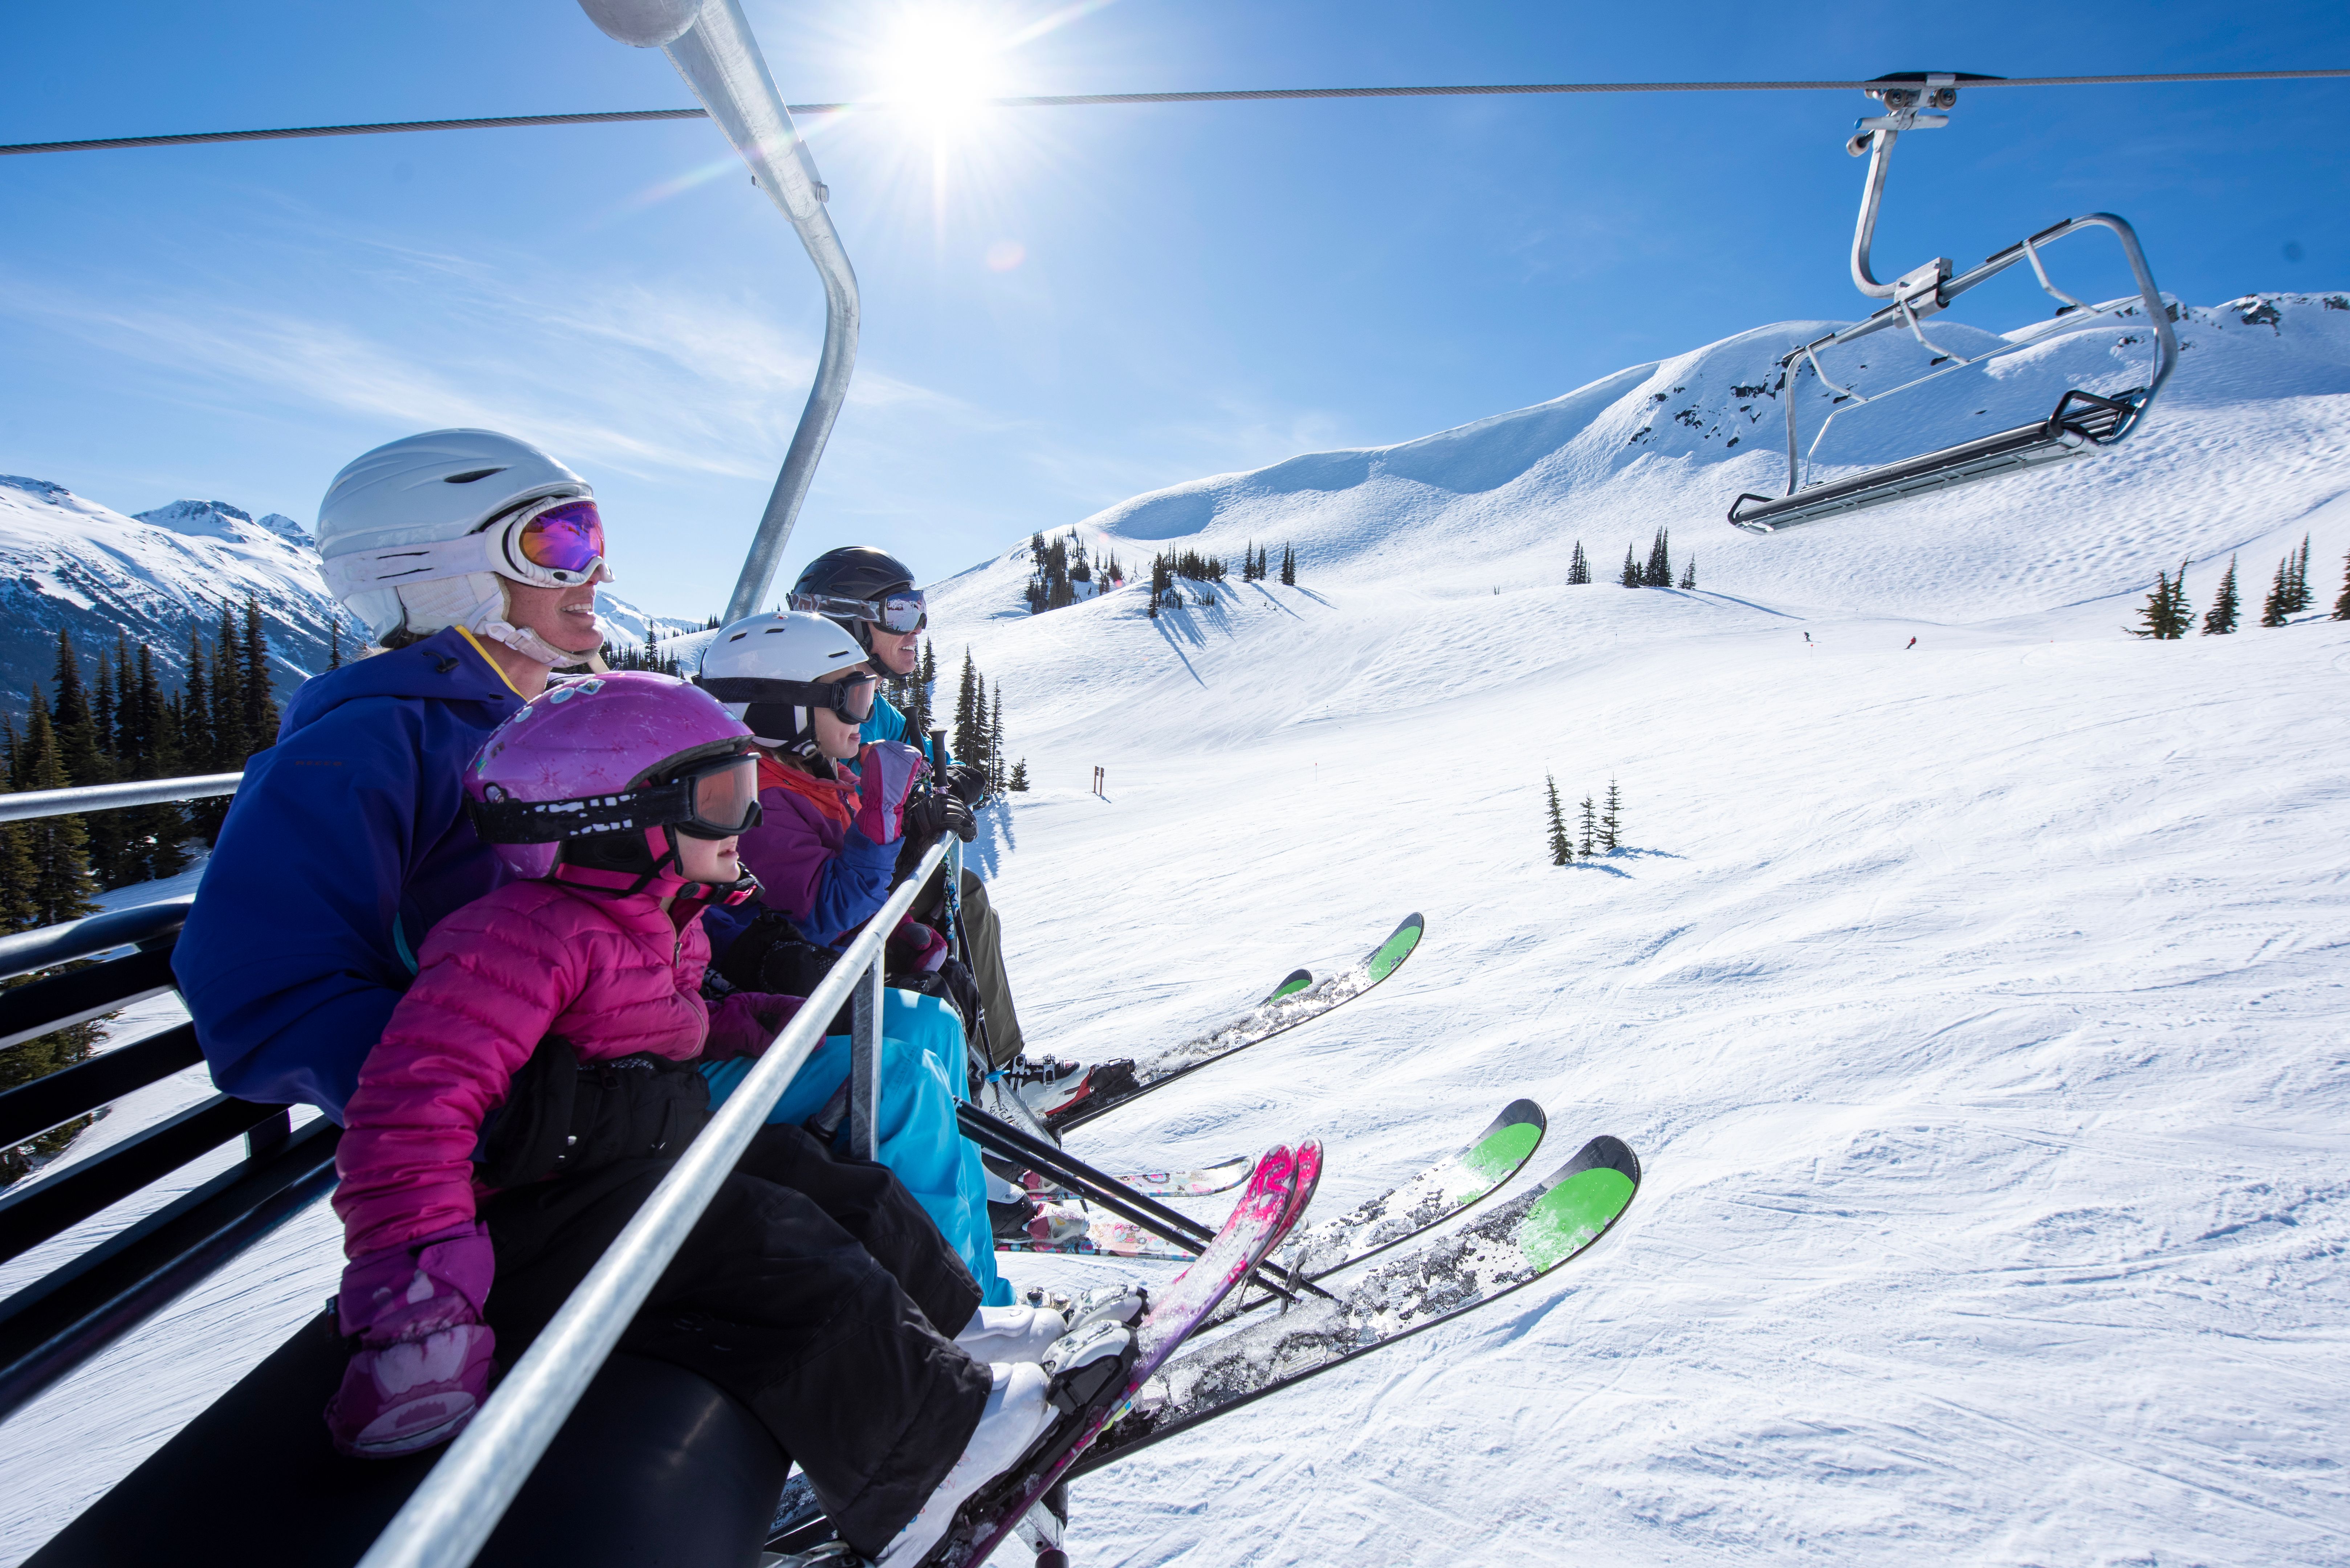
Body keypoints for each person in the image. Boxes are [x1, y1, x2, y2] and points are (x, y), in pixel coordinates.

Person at [326, 672, 1131, 1564]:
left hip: (616, 1177)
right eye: (721, 801)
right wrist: (419, 1311)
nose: (746, 822)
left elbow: (672, 1026)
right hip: (519, 1232)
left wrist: (759, 1022)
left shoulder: (656, 919)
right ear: (615, 822)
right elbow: (409, 1117)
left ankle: (954, 1322)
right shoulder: (518, 937)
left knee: (829, 1182)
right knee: (770, 1240)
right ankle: (930, 1458)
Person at [176, 429, 614, 1116]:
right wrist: (525, 1109)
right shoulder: (363, 747)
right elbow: (267, 1001)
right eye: (557, 545)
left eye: (591, 538)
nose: (597, 573)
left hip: (622, 1056)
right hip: (518, 1118)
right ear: (440, 570)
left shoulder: (548, 725)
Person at [693, 612, 1076, 1274]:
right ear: (783, 710)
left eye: (869, 694)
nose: (866, 715)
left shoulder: (813, 773)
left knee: (936, 1022)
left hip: (819, 978)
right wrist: (886, 815)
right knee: (906, 1054)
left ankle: (964, 1215)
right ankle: (952, 1269)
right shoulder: (761, 799)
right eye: (851, 698)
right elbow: (826, 909)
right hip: (783, 995)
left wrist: (912, 827)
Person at [789, 548, 1041, 1077]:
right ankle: (999, 1064)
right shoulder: (812, 706)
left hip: (859, 873)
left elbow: (923, 761)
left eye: (920, 610)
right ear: (846, 622)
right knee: (964, 896)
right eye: (901, 613)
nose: (918, 629)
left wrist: (957, 780)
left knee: (962, 899)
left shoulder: (874, 707)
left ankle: (984, 1061)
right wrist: (914, 818)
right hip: (832, 889)